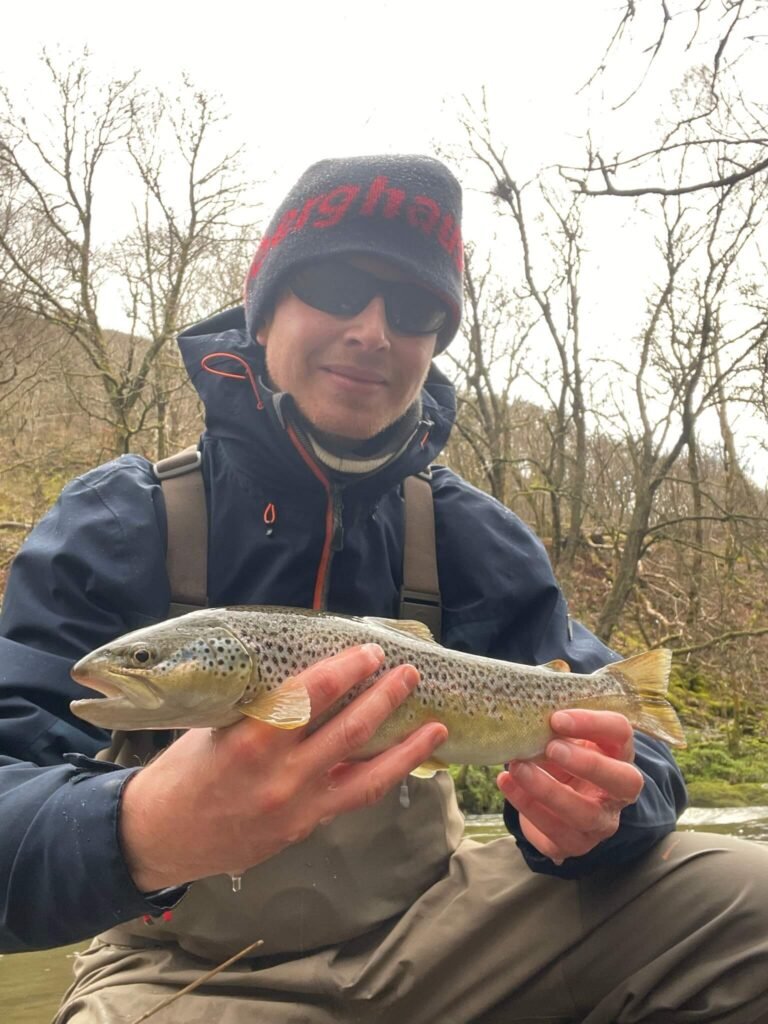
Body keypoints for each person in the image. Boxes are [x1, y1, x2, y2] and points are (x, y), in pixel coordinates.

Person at [0, 154, 766, 1024]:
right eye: (333, 285)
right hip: (192, 968)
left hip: (454, 934)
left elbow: (627, 736)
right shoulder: (120, 522)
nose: (372, 330)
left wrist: (608, 809)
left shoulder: (472, 536)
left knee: (754, 910)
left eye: (411, 310)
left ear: (433, 343)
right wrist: (138, 828)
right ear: (264, 307)